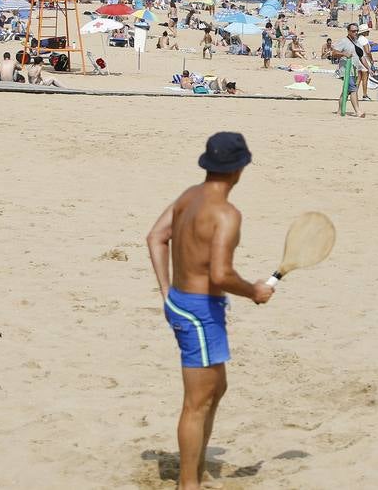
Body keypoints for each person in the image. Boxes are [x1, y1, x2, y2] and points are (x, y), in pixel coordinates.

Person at [145, 133, 273, 490]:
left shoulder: (189, 195)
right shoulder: (227, 214)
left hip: (185, 304)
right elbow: (221, 273)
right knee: (197, 403)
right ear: (239, 169)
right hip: (198, 311)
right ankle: (189, 484)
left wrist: (165, 290)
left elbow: (155, 237)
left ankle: (195, 471)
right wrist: (254, 291)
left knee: (217, 389)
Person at [333, 23, 366, 117]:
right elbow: (334, 53)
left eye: (356, 31)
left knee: (346, 91)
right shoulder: (343, 41)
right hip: (346, 69)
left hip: (354, 70)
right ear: (348, 31)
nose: (355, 33)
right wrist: (344, 54)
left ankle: (339, 110)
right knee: (353, 89)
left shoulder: (357, 42)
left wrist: (368, 68)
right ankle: (357, 111)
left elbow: (362, 57)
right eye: (353, 31)